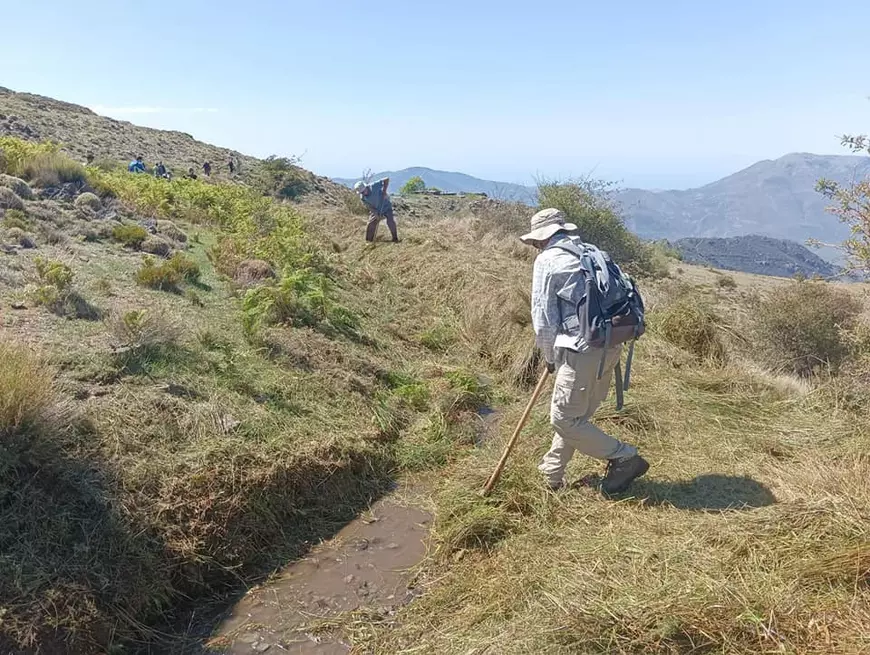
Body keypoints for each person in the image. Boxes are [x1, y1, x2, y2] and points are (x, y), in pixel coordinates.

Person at [520, 208, 649, 494]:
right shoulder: (589, 251)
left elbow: (543, 320)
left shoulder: (547, 260)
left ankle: (624, 457)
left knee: (564, 419)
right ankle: (550, 475)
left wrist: (549, 358)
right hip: (610, 344)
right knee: (576, 417)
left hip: (581, 350)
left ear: (541, 239)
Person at [354, 178, 399, 243]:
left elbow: (386, 179)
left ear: (366, 187)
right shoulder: (363, 197)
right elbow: (370, 207)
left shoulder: (374, 186)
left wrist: (384, 191)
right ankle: (369, 242)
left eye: (363, 192)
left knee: (390, 221)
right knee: (370, 224)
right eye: (361, 192)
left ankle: (395, 239)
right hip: (376, 209)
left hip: (385, 205)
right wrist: (375, 213)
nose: (363, 193)